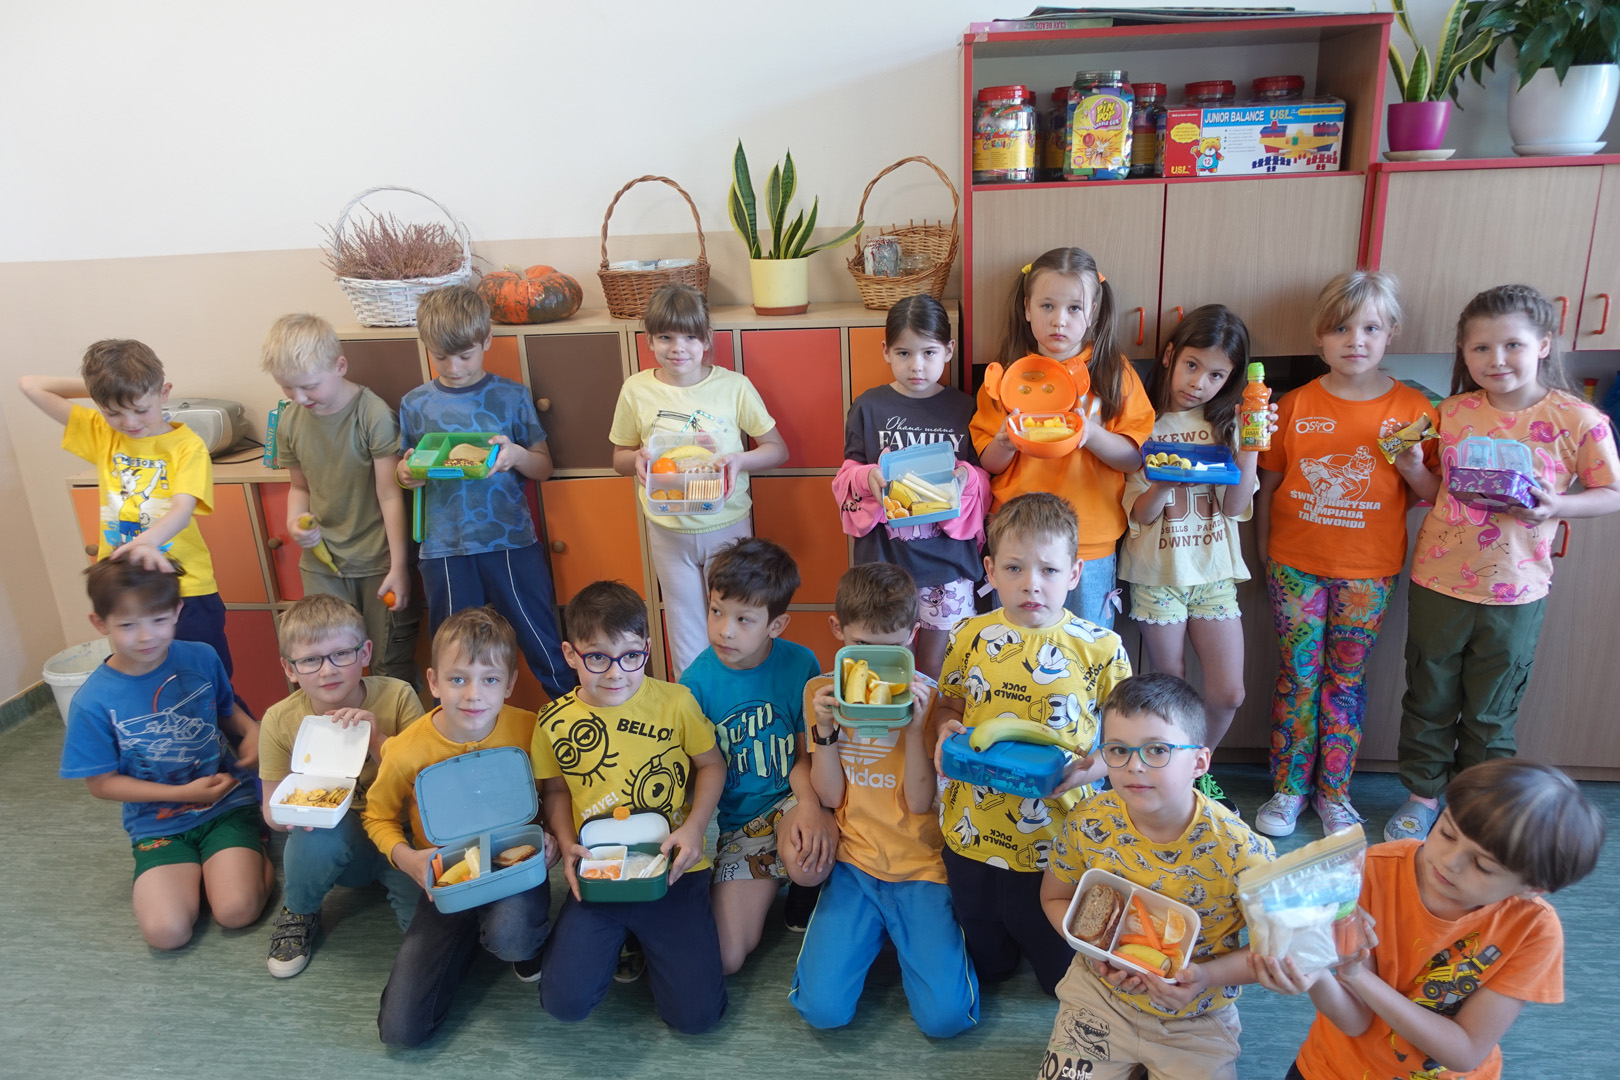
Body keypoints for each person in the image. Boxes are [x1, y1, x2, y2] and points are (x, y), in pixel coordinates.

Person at [1385, 285, 1620, 842]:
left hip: (1517, 590)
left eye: (1512, 344)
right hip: (1439, 579)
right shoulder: (1450, 413)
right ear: (1464, 353)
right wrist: (1412, 466)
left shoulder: (1577, 419)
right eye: (1481, 348)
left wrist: (1557, 506)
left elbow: (1611, 492)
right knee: (1428, 695)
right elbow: (1435, 492)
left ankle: (1475, 806)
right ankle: (1422, 795)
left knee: (1492, 708)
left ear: (1544, 345)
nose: (1496, 360)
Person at [1256, 759, 1603, 1080]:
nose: (1450, 861)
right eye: (1447, 832)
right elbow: (1355, 1021)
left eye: (1483, 865)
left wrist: (1357, 974)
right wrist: (1317, 971)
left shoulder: (1533, 930)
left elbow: (1464, 1052)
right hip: (1331, 1069)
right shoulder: (1374, 870)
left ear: (1532, 887)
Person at [1254, 271, 1438, 837]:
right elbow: (1268, 484)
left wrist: (1412, 466)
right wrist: (1264, 555)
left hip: (1369, 573)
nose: (1355, 340)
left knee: (1345, 684)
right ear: (1320, 337)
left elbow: (1432, 493)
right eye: (1340, 329)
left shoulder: (1414, 410)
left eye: (1370, 328)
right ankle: (1289, 790)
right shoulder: (1293, 405)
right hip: (1294, 568)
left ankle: (1334, 793)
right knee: (1298, 679)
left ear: (1391, 333)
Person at [932, 492, 1131, 995]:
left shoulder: (1101, 647)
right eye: (1014, 568)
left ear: (1075, 573)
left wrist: (1095, 768)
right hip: (973, 832)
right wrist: (943, 728)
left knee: (1057, 979)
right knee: (989, 965)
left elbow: (1129, 739)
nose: (1031, 584)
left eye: (1048, 570)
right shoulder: (968, 635)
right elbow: (949, 704)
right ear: (990, 570)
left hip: (1057, 843)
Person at [1039, 673, 1276, 1080]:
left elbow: (1273, 952)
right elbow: (1054, 897)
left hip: (1196, 1015)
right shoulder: (1088, 821)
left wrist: (1206, 977)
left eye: (1157, 750)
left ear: (1199, 762)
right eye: (1118, 749)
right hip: (1099, 998)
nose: (1135, 765)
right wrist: (1094, 950)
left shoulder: (1243, 852)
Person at [789, 563, 978, 1038]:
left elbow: (919, 803)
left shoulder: (931, 701)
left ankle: (901, 937)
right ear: (837, 630)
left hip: (922, 869)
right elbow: (830, 794)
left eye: (891, 650)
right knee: (821, 1010)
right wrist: (825, 731)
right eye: (862, 647)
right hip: (856, 865)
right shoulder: (820, 693)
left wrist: (915, 732)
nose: (874, 664)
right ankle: (880, 936)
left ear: (913, 635)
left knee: (946, 1020)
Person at [532, 580, 728, 1034]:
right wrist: (567, 843)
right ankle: (626, 940)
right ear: (570, 654)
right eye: (597, 657)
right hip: (599, 871)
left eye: (630, 656)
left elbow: (711, 765)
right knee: (564, 1003)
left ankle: (643, 942)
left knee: (697, 1018)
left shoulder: (676, 702)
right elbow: (556, 791)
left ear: (647, 649)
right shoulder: (551, 721)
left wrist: (696, 828)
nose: (615, 673)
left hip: (672, 867)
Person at [59, 557, 270, 950]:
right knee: (166, 933)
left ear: (176, 611)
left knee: (236, 911)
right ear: (100, 623)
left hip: (225, 804)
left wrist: (251, 729)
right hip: (157, 823)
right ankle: (207, 873)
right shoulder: (92, 701)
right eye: (127, 625)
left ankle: (247, 850)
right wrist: (182, 794)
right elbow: (101, 784)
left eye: (158, 620)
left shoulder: (202, 656)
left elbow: (226, 711)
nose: (146, 637)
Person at [364, 607, 552, 1047]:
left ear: (509, 684)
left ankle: (517, 939)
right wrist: (407, 858)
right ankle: (471, 936)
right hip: (447, 881)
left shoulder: (530, 729)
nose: (473, 695)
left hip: (513, 870)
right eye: (457, 679)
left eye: (490, 679)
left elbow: (554, 793)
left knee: (512, 936)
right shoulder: (406, 749)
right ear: (433, 682)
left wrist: (552, 837)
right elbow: (377, 816)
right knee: (401, 1032)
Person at [1120, 305, 1268, 814]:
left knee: (1228, 692)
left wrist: (1250, 444)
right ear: (1169, 356)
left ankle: (1198, 770)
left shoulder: (1226, 424)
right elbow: (1137, 514)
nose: (1199, 383)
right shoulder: (1142, 422)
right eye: (1191, 365)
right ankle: (1177, 783)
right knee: (1174, 686)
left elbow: (1235, 505)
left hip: (1213, 574)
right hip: (1157, 575)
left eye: (1216, 375)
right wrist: (1164, 482)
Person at [395, 285, 574, 699]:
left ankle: (572, 714)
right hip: (444, 548)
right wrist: (407, 474)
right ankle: (458, 728)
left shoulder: (511, 396)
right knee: (455, 655)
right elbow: (404, 470)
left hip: (509, 541)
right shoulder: (415, 404)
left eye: (465, 355)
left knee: (542, 641)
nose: (454, 367)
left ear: (487, 341)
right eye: (441, 356)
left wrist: (515, 456)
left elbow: (543, 467)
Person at [21, 341, 236, 679]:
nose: (129, 422)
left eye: (140, 408)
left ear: (163, 392)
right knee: (146, 681)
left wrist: (146, 542)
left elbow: (182, 510)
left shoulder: (186, 446)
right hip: (127, 592)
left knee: (204, 679)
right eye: (114, 412)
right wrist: (110, 388)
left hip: (185, 589)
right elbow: (31, 385)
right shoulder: (103, 434)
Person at [609, 283, 789, 676]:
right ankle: (694, 702)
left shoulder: (734, 386)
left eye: (690, 337)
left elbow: (777, 449)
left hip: (727, 527)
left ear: (706, 339)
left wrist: (739, 460)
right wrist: (635, 460)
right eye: (665, 337)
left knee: (735, 622)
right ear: (648, 340)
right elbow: (619, 456)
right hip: (667, 529)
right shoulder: (636, 390)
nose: (678, 348)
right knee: (685, 628)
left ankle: (740, 694)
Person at [970, 247, 1155, 627]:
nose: (1059, 320)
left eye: (1074, 308)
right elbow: (988, 463)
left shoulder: (1114, 373)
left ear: (1094, 313)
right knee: (1014, 646)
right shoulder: (1006, 377)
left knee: (1087, 648)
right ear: (1027, 308)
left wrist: (1089, 433)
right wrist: (1004, 442)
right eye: (1047, 306)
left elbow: (1134, 457)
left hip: (1090, 539)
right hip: (1016, 538)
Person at [680, 537, 834, 969]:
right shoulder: (694, 684)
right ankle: (775, 877)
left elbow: (806, 754)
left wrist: (810, 807)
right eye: (716, 611)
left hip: (792, 801)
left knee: (807, 865)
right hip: (740, 829)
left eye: (743, 619)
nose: (724, 630)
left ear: (776, 625)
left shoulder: (801, 663)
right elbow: (699, 771)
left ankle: (804, 888)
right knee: (726, 958)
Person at [256, 594, 423, 978]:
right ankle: (299, 908)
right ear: (290, 668)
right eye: (310, 660)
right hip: (336, 837)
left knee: (426, 933)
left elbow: (425, 791)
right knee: (313, 837)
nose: (327, 670)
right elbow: (271, 811)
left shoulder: (398, 697)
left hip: (401, 833)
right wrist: (292, 817)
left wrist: (378, 741)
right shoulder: (279, 720)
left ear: (364, 653)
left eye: (341, 654)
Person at [259, 313, 418, 685]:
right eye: (288, 389)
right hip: (322, 566)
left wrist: (399, 567)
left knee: (387, 663)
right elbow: (300, 488)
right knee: (327, 666)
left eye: (309, 386)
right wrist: (294, 523)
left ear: (340, 366)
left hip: (378, 563)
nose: (299, 398)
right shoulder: (290, 422)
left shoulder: (373, 414)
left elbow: (390, 494)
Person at [836, 294, 989, 678]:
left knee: (940, 666)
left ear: (949, 350)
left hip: (947, 566)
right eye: (904, 353)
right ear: (885, 351)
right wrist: (867, 477)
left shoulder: (966, 409)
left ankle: (933, 720)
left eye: (929, 352)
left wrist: (966, 478)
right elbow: (848, 473)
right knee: (888, 666)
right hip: (885, 566)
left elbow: (985, 477)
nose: (916, 365)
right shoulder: (868, 407)